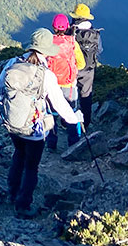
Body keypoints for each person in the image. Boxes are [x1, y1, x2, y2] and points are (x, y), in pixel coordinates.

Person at [0, 28, 85, 218]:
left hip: (12, 124)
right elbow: (60, 105)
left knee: (18, 155)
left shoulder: (12, 64)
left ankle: (11, 193)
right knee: (31, 167)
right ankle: (23, 205)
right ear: (46, 50)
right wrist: (75, 119)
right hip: (34, 129)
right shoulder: (46, 75)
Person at [45, 13, 85, 151]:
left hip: (51, 85)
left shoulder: (48, 44)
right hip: (69, 86)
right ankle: (74, 144)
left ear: (53, 27)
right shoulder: (73, 43)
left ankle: (51, 144)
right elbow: (81, 64)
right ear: (67, 26)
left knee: (50, 114)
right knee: (71, 113)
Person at [70, 3, 103, 127]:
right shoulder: (95, 33)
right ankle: (86, 122)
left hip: (73, 68)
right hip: (89, 69)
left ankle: (68, 121)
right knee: (86, 95)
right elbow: (99, 50)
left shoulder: (72, 32)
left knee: (71, 94)